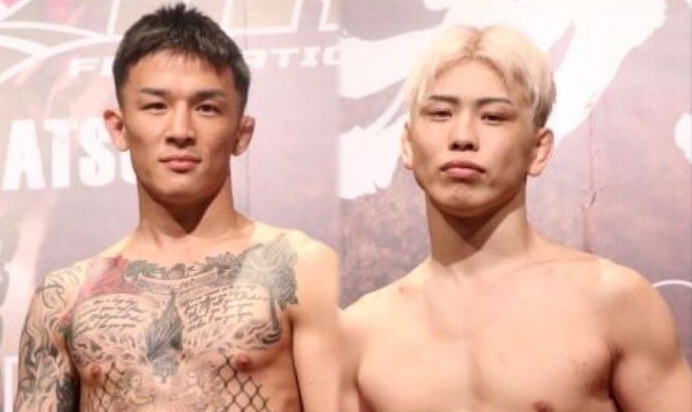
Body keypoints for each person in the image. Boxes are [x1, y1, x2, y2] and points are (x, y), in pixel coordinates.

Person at [341, 25, 692, 412]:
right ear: (407, 144)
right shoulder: (362, 333)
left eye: (493, 117)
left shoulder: (613, 301)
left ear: (538, 150)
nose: (462, 136)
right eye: (440, 113)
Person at [14, 4, 339, 412]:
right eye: (156, 106)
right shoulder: (64, 299)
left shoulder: (301, 270)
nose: (180, 131)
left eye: (206, 108)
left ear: (241, 133)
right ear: (118, 127)